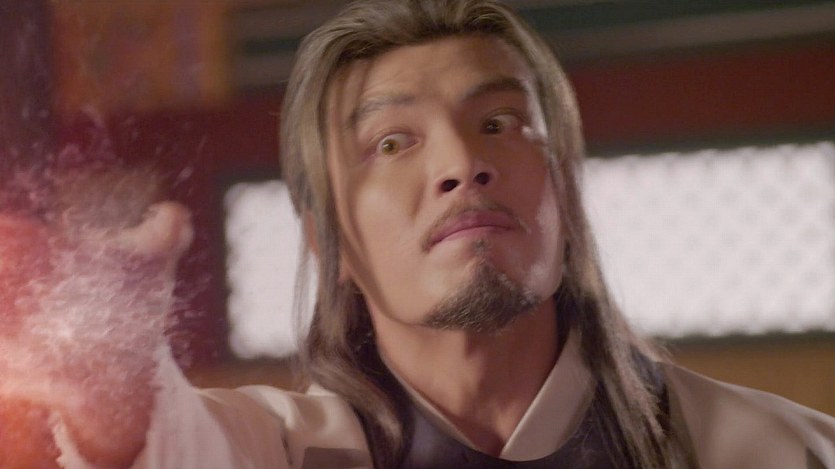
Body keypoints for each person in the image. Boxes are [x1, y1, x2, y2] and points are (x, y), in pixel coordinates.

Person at [0, 1, 833, 468]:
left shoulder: (778, 450)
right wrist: (110, 373)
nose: (462, 164)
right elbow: (171, 446)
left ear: (567, 192)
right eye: (391, 142)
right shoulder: (276, 451)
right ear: (327, 241)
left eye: (498, 123)